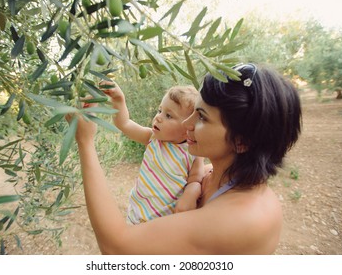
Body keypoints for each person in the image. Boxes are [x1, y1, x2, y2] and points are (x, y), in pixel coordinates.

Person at [67, 63, 302, 254]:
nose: (187, 125)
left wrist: (85, 142)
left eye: (201, 118)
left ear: (241, 141)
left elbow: (115, 247)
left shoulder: (242, 218)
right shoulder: (215, 173)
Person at [99, 82, 205, 224]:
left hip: (164, 222)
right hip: (136, 215)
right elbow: (124, 123)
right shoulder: (153, 139)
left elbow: (196, 179)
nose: (158, 117)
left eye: (168, 115)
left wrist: (190, 196)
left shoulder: (192, 152)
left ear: (188, 127)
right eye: (159, 110)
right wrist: (119, 100)